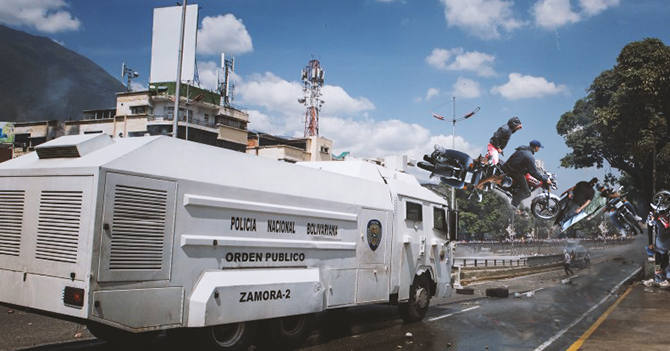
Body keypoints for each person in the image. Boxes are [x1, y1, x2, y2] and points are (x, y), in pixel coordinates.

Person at [500, 140, 551, 208]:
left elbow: (521, 161)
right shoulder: (530, 157)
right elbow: (533, 172)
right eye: (538, 147)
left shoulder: (522, 149)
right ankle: (513, 205)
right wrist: (545, 179)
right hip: (515, 171)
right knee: (526, 191)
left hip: (508, 166)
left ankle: (515, 192)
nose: (539, 149)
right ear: (536, 147)